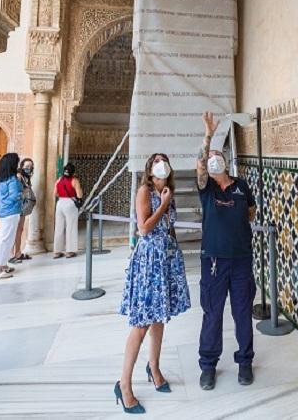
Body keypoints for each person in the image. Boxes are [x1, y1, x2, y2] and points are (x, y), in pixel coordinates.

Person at [116, 153, 190, 413]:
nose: (161, 163)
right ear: (149, 169)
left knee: (160, 318)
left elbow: (169, 226)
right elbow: (144, 228)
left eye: (164, 160)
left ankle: (154, 367)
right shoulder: (144, 191)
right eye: (156, 160)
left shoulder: (169, 190)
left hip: (166, 258)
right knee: (142, 323)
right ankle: (124, 385)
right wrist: (163, 204)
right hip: (149, 260)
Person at [196, 111, 257, 390]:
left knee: (242, 313)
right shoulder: (207, 188)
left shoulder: (241, 185)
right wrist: (208, 136)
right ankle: (208, 365)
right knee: (213, 313)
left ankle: (245, 362)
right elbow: (199, 164)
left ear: (226, 161)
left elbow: (252, 213)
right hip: (214, 262)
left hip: (242, 261)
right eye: (210, 158)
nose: (213, 159)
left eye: (218, 156)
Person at [0, 152, 23, 280]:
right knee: (5, 240)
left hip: (0, 211)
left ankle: (4, 266)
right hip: (10, 213)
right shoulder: (13, 180)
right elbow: (14, 196)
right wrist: (22, 194)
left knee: (6, 239)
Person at [53, 163, 82, 258]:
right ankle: (70, 251)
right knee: (71, 226)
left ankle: (57, 251)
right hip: (70, 203)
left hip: (60, 203)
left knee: (59, 227)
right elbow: (79, 195)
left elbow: (55, 193)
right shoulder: (74, 180)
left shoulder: (59, 180)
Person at [9, 158, 35, 264]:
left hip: (22, 207)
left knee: (19, 230)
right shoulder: (19, 176)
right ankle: (11, 255)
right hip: (18, 207)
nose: (29, 168)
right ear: (22, 166)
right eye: (27, 166)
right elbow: (17, 191)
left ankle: (18, 252)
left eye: (31, 166)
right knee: (15, 231)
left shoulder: (26, 177)